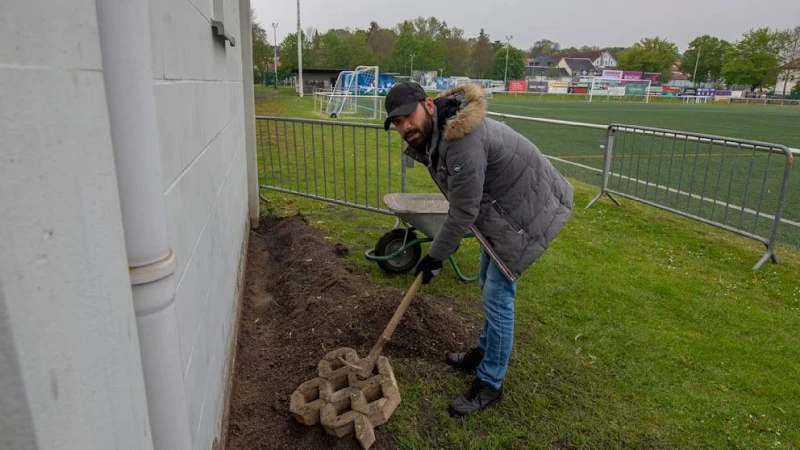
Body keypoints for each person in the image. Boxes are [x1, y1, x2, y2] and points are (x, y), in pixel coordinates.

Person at [383, 82, 574, 417]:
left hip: (526, 213)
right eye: (396, 123)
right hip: (504, 209)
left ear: (428, 104)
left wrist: (435, 258)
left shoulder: (460, 141)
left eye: (406, 117)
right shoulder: (439, 133)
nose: (404, 127)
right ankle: (485, 353)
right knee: (487, 281)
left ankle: (490, 382)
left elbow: (462, 212)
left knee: (498, 296)